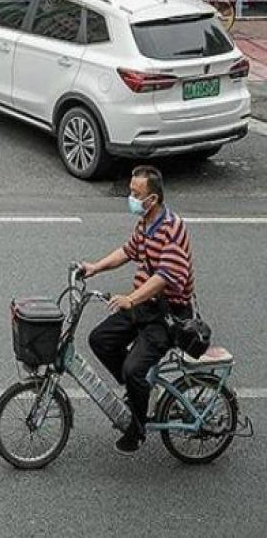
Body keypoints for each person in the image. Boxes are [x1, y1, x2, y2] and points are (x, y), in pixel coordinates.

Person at [81, 166, 195, 455]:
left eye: (136, 194)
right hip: (144, 305)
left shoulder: (172, 228)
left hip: (169, 314)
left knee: (133, 368)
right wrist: (94, 267)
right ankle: (137, 392)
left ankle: (138, 426)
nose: (131, 197)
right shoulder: (146, 223)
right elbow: (127, 251)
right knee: (100, 339)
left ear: (152, 198)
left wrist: (131, 300)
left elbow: (164, 277)